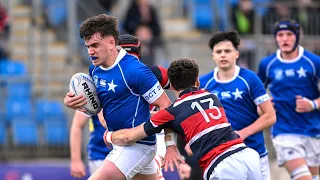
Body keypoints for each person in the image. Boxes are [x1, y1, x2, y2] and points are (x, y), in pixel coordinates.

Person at [104, 58, 263, 180]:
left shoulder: (172, 112)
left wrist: (109, 136)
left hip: (224, 164)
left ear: (171, 86)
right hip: (248, 154)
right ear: (197, 81)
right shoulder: (211, 95)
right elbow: (190, 116)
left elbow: (129, 136)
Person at [64, 14, 179, 180]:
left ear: (111, 42)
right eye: (88, 46)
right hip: (118, 142)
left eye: (95, 45)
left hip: (138, 146)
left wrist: (171, 146)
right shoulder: (94, 70)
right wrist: (73, 102)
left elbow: (166, 106)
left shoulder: (135, 71)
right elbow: (98, 104)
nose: (90, 51)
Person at [199, 30, 276, 180]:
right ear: (213, 56)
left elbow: (270, 116)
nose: (223, 55)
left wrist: (244, 133)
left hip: (255, 152)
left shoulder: (250, 79)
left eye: (227, 51)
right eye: (218, 51)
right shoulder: (204, 83)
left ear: (237, 54)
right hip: (221, 156)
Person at [258, 18, 320, 180]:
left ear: (297, 36)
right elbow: (256, 96)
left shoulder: (313, 62)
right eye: (280, 35)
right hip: (283, 131)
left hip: (312, 129)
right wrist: (262, 107)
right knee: (303, 177)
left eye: (289, 34)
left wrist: (312, 104)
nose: (284, 39)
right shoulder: (267, 64)